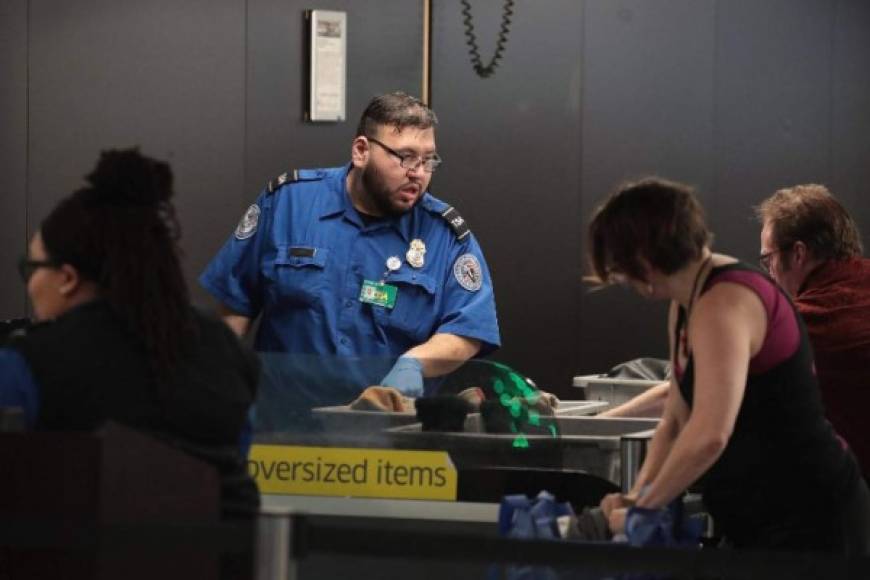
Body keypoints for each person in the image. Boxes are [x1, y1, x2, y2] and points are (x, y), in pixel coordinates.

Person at [588, 177, 870, 552]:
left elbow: (709, 434)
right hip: (762, 512)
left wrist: (643, 507)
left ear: (644, 257)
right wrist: (634, 496)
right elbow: (675, 421)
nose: (623, 279)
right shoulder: (685, 304)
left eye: (620, 267)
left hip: (811, 515)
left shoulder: (726, 303)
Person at [200, 92, 500, 424]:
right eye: (405, 157)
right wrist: (219, 385)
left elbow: (468, 329)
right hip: (283, 429)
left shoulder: (444, 234)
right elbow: (235, 303)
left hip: (389, 435)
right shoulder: (289, 203)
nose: (418, 173)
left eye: (428, 160)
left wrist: (414, 363)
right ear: (361, 151)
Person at [0, 149, 260, 517]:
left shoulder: (28, 365)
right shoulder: (225, 352)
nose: (29, 283)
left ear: (67, 278)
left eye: (31, 267)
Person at [757, 184, 870, 482]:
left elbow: (703, 384)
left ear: (798, 254)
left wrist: (617, 416)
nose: (769, 274)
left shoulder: (805, 321)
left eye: (768, 260)